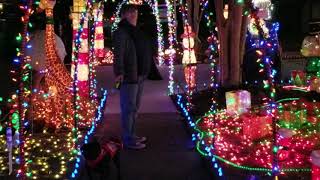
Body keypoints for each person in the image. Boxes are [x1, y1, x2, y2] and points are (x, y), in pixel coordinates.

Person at [112, 5, 152, 150]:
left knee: (134, 108)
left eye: (135, 13)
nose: (135, 16)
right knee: (129, 108)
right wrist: (119, 73)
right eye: (131, 13)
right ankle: (128, 139)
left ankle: (132, 134)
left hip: (139, 75)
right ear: (124, 15)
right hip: (129, 76)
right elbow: (119, 55)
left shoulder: (133, 31)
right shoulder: (121, 32)